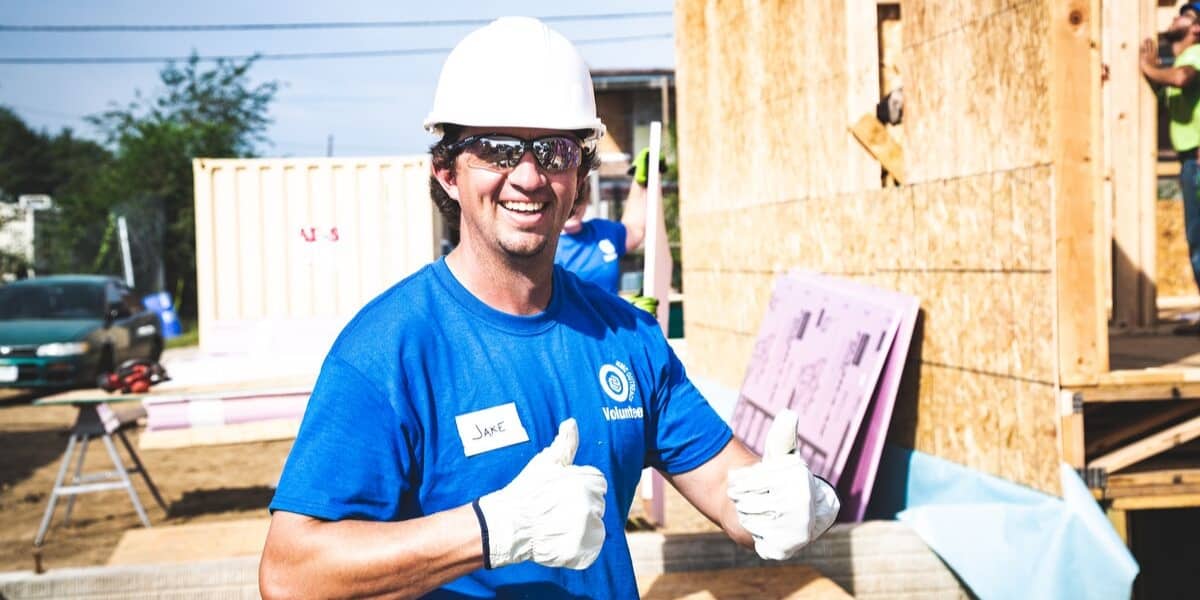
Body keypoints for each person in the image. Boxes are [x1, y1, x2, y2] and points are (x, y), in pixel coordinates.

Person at [258, 17, 839, 599]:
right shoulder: (390, 350)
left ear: (579, 176)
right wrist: (493, 530)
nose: (529, 176)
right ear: (447, 172)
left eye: (554, 150)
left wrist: (787, 501)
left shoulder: (627, 336)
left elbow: (728, 491)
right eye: (497, 150)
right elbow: (291, 577)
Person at [1143, 4, 1200, 334]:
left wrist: (1148, 66)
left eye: (1185, 15)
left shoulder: (1195, 57)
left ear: (1196, 29)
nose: (1174, 18)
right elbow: (1168, 88)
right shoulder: (1180, 61)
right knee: (1196, 241)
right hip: (1189, 162)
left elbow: (1180, 79)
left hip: (1197, 160)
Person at [554, 148, 660, 293]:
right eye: (570, 199)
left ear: (587, 198)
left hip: (610, 316)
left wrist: (640, 180)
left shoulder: (602, 232)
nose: (574, 206)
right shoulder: (546, 246)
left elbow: (635, 230)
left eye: (580, 197)